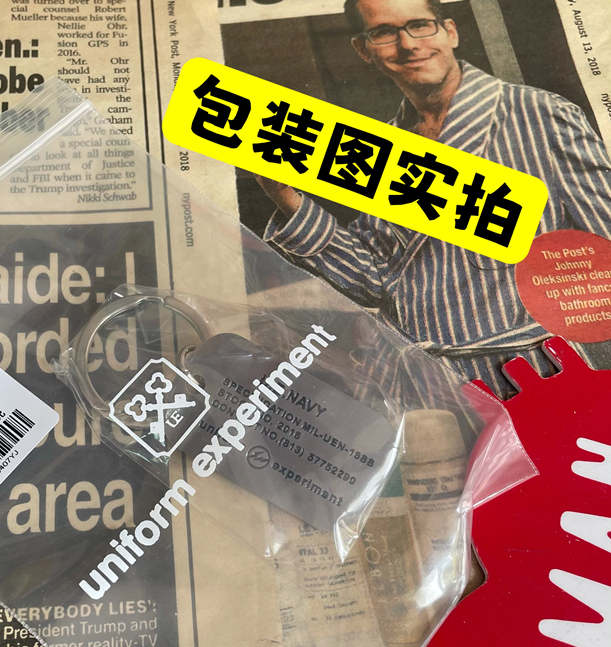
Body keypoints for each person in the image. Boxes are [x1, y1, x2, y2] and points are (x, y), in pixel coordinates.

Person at [257, 0, 611, 398]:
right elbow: (374, 281)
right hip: (427, 384)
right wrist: (285, 197)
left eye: (421, 25)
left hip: (534, 374)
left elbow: (606, 243)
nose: (409, 44)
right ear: (363, 49)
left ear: (450, 32)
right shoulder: (382, 149)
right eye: (384, 32)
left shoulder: (540, 115)